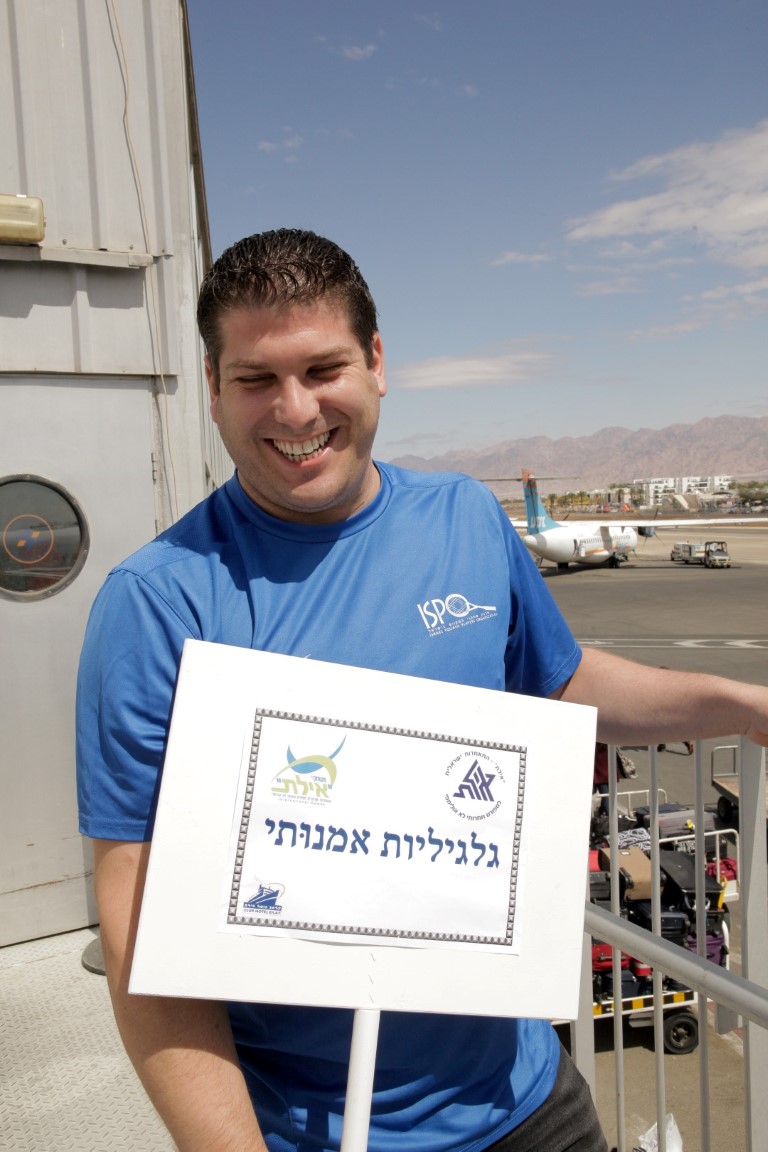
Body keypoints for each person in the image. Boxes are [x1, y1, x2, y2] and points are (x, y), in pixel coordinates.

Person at [76, 228, 768, 1152]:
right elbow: (137, 915)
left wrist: (741, 703)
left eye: (323, 368)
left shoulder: (465, 518)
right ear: (212, 386)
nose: (294, 409)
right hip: (321, 1130)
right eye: (255, 378)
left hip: (531, 1098)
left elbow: (560, 682)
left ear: (376, 362)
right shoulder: (157, 602)